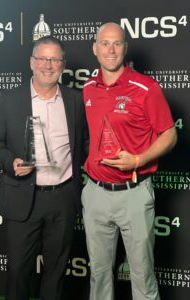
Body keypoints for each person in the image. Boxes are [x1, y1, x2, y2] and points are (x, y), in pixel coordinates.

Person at [0, 36, 88, 300]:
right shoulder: (10, 99)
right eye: (42, 58)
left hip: (63, 198)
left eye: (54, 59)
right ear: (32, 62)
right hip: (23, 196)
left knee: (56, 272)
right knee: (19, 271)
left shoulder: (75, 100)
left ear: (63, 64)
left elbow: (85, 144)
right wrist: (11, 163)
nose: (48, 65)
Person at [81, 22, 177, 300]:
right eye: (105, 43)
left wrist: (138, 159)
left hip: (133, 193)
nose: (110, 50)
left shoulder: (146, 87)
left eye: (117, 43)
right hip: (95, 193)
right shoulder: (88, 86)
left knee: (142, 273)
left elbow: (169, 134)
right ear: (95, 48)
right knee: (98, 273)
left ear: (125, 47)